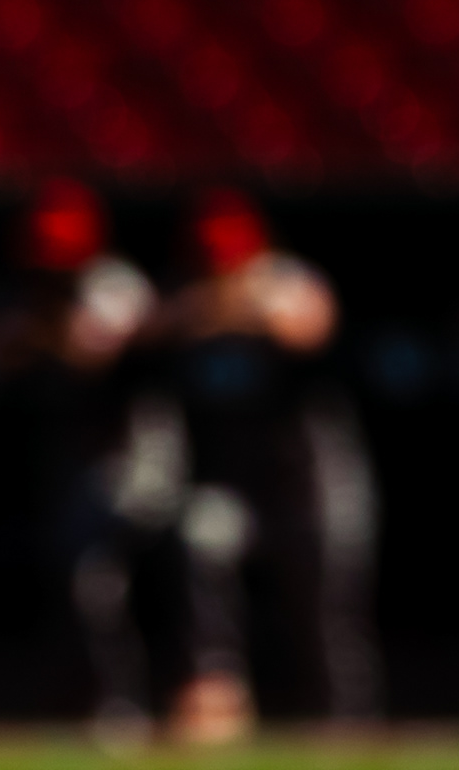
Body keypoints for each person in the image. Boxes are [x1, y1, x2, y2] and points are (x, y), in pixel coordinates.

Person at [142, 186, 352, 740]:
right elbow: (143, 332)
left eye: (230, 257)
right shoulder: (182, 293)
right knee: (198, 540)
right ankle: (216, 694)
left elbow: (307, 328)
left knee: (324, 598)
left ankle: (341, 719)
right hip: (231, 477)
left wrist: (237, 309)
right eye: (211, 258)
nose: (221, 268)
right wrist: (202, 309)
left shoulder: (288, 280)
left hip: (307, 477)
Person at [0, 178, 158, 732]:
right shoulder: (18, 292)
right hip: (60, 456)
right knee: (66, 578)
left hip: (135, 454)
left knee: (94, 576)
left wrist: (46, 333)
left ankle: (120, 703)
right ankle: (81, 698)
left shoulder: (115, 283)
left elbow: (94, 352)